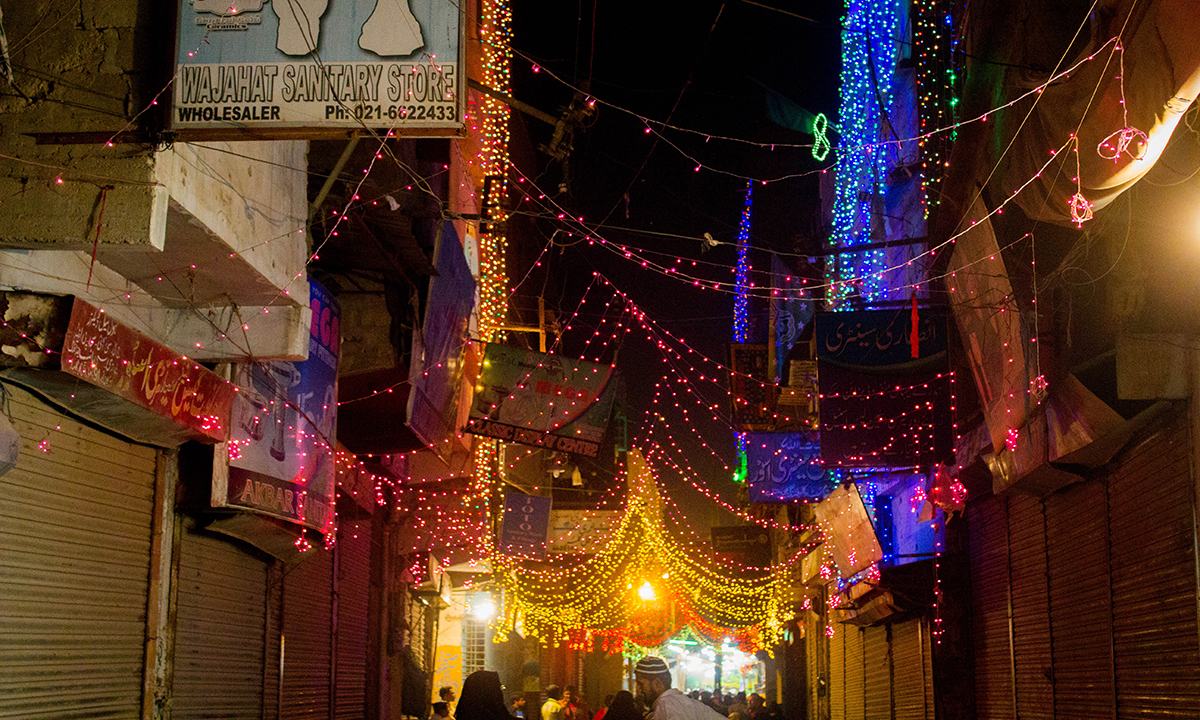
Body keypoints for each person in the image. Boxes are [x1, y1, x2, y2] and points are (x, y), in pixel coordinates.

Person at [633, 656, 726, 720]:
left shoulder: (667, 706)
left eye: (641, 684)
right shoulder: (683, 703)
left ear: (657, 683)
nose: (638, 689)